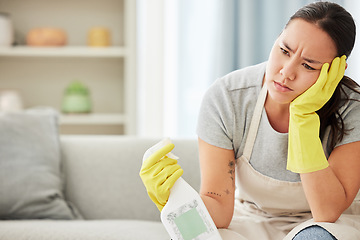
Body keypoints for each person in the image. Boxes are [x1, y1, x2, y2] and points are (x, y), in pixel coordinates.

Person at [140, 1, 360, 239]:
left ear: (336, 71)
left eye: (308, 65)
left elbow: (326, 211)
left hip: (326, 226)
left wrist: (304, 119)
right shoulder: (227, 97)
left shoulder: (352, 108)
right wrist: (174, 200)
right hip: (251, 222)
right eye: (284, 51)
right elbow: (219, 208)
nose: (286, 72)